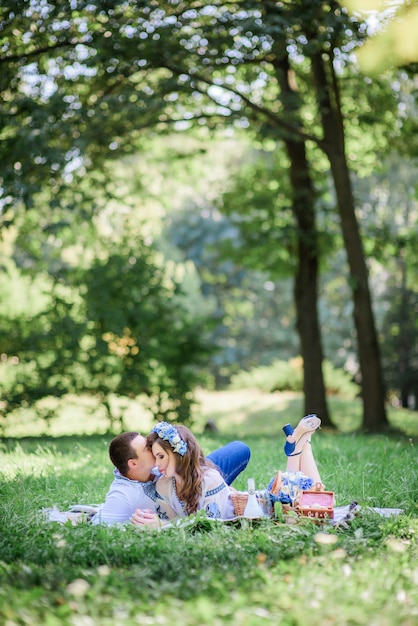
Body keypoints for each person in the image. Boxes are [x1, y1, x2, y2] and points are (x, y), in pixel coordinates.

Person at [131, 414, 323, 528]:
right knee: (311, 497)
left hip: (265, 507)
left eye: (161, 456)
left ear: (179, 454)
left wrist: (161, 525)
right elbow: (173, 525)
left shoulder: (209, 479)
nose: (157, 464)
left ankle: (301, 446)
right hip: (253, 509)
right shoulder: (164, 486)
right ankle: (298, 444)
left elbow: (207, 525)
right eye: (155, 457)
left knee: (318, 498)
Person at [91, 429, 250, 525]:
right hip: (179, 492)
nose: (151, 447)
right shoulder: (122, 495)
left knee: (240, 449)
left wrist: (217, 489)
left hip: (186, 471)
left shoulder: (155, 464)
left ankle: (216, 490)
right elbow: (101, 523)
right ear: (133, 463)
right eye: (147, 448)